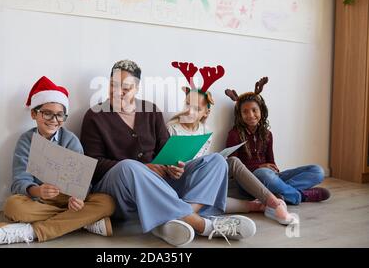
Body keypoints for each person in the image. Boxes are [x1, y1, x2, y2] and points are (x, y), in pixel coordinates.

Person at [80, 60, 256, 247]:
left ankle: (176, 219)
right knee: (129, 166)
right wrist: (144, 168)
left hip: (159, 183)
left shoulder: (151, 111)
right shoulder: (94, 116)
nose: (118, 92)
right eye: (113, 85)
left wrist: (174, 167)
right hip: (120, 187)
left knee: (217, 161)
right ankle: (200, 224)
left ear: (137, 88)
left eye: (125, 87)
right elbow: (93, 166)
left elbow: (166, 150)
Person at [0, 76, 115, 245]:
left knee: (107, 203)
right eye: (47, 113)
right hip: (39, 201)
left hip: (68, 201)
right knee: (12, 206)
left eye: (59, 115)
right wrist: (38, 191)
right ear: (34, 113)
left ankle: (32, 231)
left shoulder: (71, 140)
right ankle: (82, 222)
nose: (54, 121)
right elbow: (19, 181)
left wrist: (77, 197)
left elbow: (83, 182)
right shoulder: (26, 140)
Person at [167, 62, 294, 225]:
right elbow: (167, 163)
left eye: (197, 109)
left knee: (231, 163)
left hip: (199, 176)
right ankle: (267, 203)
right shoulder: (172, 128)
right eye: (188, 106)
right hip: (182, 176)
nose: (191, 112)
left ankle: (272, 203)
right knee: (226, 181)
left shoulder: (206, 131)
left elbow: (203, 159)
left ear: (206, 112)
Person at [224, 77, 330, 206]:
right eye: (245, 112)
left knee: (318, 171)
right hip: (250, 182)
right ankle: (301, 195)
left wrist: (274, 171)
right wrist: (258, 167)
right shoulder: (234, 135)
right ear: (240, 115)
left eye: (254, 110)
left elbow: (271, 162)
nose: (251, 115)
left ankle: (279, 193)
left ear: (261, 111)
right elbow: (233, 170)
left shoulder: (267, 134)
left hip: (269, 177)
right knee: (263, 173)